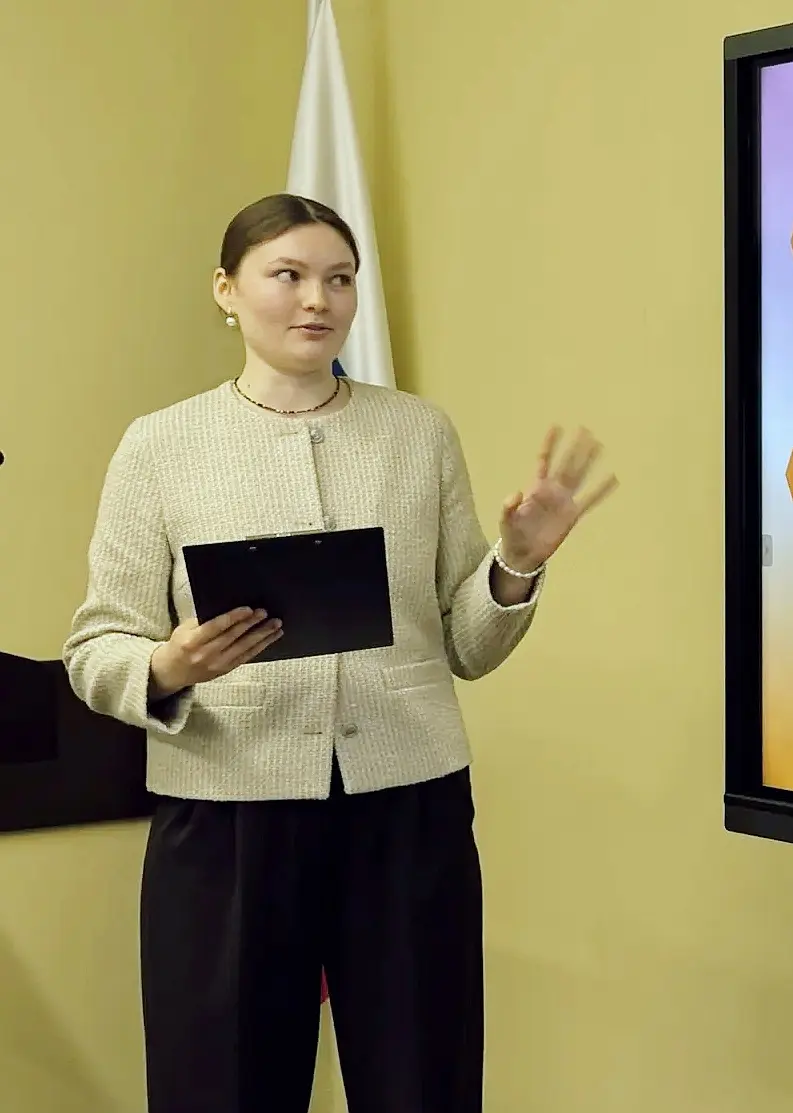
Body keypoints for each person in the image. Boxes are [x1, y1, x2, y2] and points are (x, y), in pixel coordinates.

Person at [61, 192, 616, 1113]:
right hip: (226, 815)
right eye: (288, 275)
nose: (318, 299)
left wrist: (517, 562)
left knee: (424, 1080)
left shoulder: (419, 431)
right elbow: (94, 646)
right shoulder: (159, 446)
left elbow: (467, 644)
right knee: (221, 1086)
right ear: (226, 289)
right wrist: (170, 667)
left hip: (409, 809)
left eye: (340, 278)